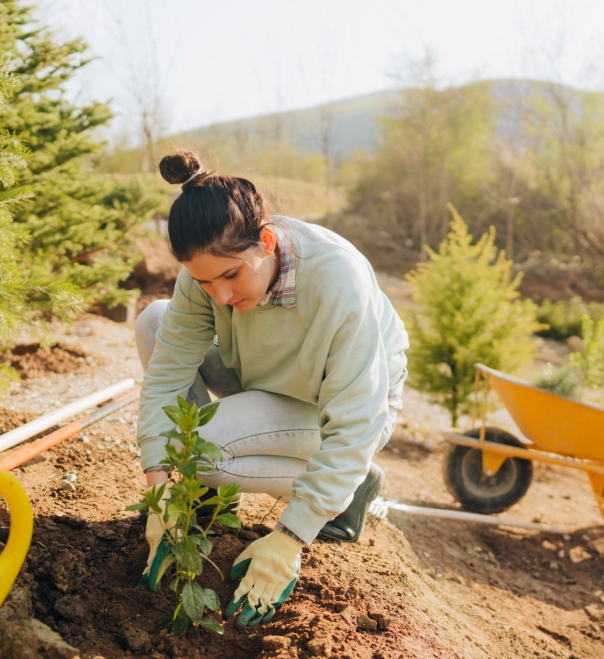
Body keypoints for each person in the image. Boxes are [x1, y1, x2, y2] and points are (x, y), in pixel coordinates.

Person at [135, 149, 408, 627]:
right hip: (264, 377)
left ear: (266, 242)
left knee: (199, 449)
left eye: (231, 276)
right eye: (204, 282)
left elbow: (357, 415)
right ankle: (207, 496)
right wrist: (160, 496)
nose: (220, 295)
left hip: (343, 405)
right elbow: (166, 376)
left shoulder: (337, 279)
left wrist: (289, 539)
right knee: (155, 323)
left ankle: (350, 488)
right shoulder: (206, 276)